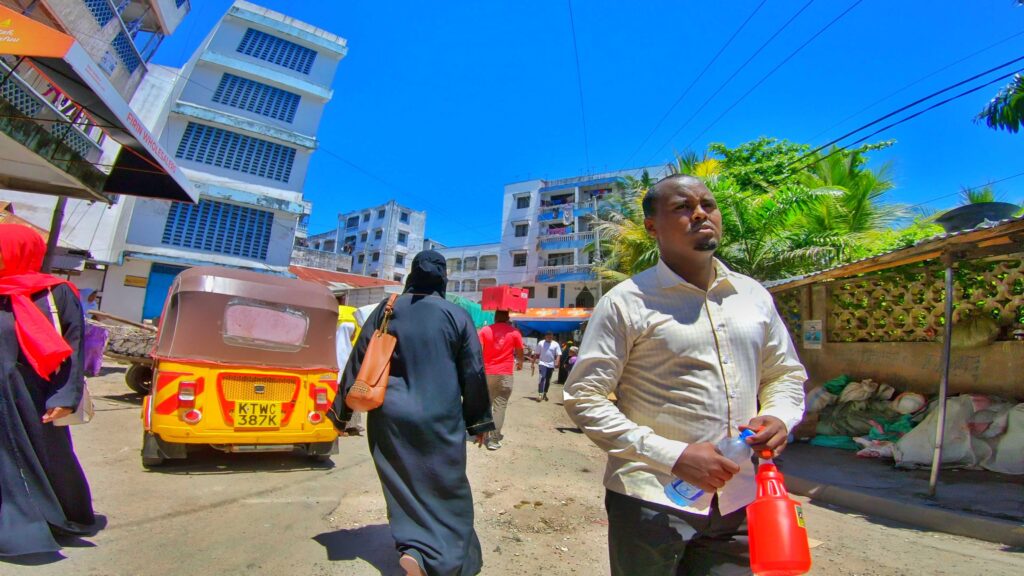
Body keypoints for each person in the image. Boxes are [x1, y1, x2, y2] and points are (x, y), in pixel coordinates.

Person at [563, 175, 807, 576]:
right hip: (650, 501)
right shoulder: (625, 302)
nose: (700, 213)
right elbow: (584, 398)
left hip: (740, 496)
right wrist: (673, 456)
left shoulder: (752, 296)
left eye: (708, 204)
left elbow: (784, 373)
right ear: (651, 226)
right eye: (682, 207)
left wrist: (780, 415)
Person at [329, 250, 494, 576]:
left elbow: (358, 362)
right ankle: (443, 560)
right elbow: (473, 372)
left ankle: (414, 548)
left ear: (412, 275)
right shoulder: (456, 316)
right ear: (442, 278)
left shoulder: (387, 310)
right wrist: (479, 423)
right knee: (446, 485)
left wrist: (340, 414)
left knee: (403, 484)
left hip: (389, 417)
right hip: (440, 420)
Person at [0, 224, 99, 557]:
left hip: (34, 396)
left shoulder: (54, 293)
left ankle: (62, 517)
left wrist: (64, 398)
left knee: (49, 459)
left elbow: (73, 349)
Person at [478, 310, 524, 450]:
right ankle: (494, 440)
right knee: (500, 406)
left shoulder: (485, 330)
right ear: (507, 318)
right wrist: (520, 362)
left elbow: (478, 350)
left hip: (487, 373)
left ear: (495, 317)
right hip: (505, 374)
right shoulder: (514, 332)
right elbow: (520, 351)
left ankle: (481, 433)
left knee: (485, 405)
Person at [534, 332, 561, 402]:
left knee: (548, 379)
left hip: (551, 364)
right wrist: (533, 362)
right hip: (542, 363)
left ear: (552, 337)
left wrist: (557, 362)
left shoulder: (555, 344)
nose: (549, 338)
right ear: (545, 336)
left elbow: (558, 354)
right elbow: (537, 353)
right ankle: (540, 394)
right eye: (548, 336)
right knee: (542, 377)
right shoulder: (541, 343)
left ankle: (545, 393)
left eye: (551, 337)